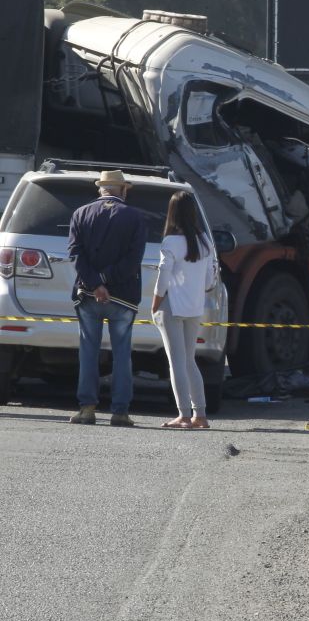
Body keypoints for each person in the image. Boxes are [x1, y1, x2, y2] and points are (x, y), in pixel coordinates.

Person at [66, 169, 148, 426]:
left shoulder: (80, 214)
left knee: (88, 350)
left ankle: (87, 408)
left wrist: (95, 283)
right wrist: (107, 280)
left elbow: (75, 254)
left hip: (89, 295)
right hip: (123, 295)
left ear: (101, 189)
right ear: (122, 190)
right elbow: (133, 260)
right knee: (122, 353)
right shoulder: (135, 217)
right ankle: (120, 411)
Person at [151, 191, 219, 429]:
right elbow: (210, 280)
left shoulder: (170, 242)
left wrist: (155, 301)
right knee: (190, 360)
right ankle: (200, 414)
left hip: (172, 304)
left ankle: (183, 414)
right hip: (194, 305)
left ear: (172, 213)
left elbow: (163, 273)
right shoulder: (204, 241)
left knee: (176, 362)